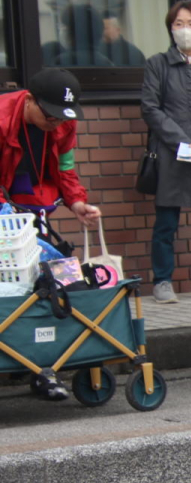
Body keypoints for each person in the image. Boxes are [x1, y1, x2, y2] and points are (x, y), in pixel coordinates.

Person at [0, 68, 101, 400]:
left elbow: (66, 167)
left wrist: (77, 202)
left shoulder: (63, 120)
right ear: (29, 100)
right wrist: (5, 211)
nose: (56, 123)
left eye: (62, 117)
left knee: (52, 279)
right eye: (50, 115)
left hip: (35, 201)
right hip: (6, 206)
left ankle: (46, 369)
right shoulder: (2, 118)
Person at [140, 0, 191, 304]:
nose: (185, 30)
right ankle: (162, 281)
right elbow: (150, 108)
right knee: (166, 222)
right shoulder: (157, 64)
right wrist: (181, 141)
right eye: (178, 24)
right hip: (169, 152)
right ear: (170, 29)